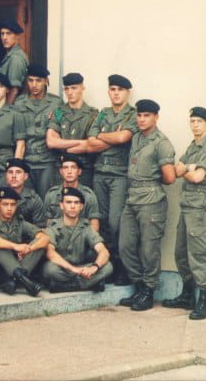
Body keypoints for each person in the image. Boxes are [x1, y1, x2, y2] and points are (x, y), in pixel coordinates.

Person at [118, 99, 175, 312]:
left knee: (149, 249)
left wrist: (151, 181)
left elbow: (169, 177)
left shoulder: (161, 143)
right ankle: (139, 286)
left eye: (147, 116)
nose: (141, 119)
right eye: (139, 115)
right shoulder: (136, 138)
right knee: (125, 245)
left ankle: (148, 292)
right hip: (132, 198)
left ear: (156, 117)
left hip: (151, 200)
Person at [163, 107, 206, 320]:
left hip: (199, 210)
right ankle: (187, 295)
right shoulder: (192, 147)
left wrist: (188, 169)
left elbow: (197, 177)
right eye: (192, 121)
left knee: (198, 255)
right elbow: (176, 171)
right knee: (180, 254)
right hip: (186, 208)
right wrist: (190, 168)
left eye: (199, 121)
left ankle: (204, 302)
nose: (195, 125)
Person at [85, 74, 137, 285]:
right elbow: (90, 141)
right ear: (109, 92)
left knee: (116, 223)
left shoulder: (132, 114)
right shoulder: (102, 114)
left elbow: (124, 137)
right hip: (100, 172)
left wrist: (104, 136)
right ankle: (106, 265)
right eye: (113, 89)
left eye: (120, 90)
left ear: (127, 93)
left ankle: (121, 265)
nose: (116, 93)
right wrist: (112, 137)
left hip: (119, 175)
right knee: (102, 220)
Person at [0, 187, 48, 296]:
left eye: (12, 205)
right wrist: (15, 246)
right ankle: (25, 282)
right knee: (0, 247)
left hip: (16, 266)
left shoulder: (20, 222)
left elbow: (44, 238)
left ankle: (14, 282)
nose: (9, 208)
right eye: (5, 204)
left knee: (39, 246)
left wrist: (29, 249)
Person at [42, 187, 112, 293]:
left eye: (76, 202)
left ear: (81, 206)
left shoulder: (86, 227)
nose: (72, 206)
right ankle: (91, 282)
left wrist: (94, 267)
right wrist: (74, 270)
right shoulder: (53, 226)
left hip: (81, 267)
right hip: (62, 268)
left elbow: (103, 251)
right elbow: (50, 253)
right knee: (49, 269)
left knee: (108, 266)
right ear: (61, 205)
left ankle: (66, 286)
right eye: (68, 202)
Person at [13, 64, 62, 197]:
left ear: (46, 81)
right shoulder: (19, 103)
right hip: (26, 160)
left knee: (47, 199)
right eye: (30, 80)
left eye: (38, 81)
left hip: (47, 161)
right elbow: (18, 137)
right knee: (26, 199)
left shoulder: (56, 103)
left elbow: (59, 131)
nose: (34, 85)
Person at [46, 72, 99, 187]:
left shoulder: (93, 114)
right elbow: (51, 142)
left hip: (84, 169)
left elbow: (92, 144)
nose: (70, 92)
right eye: (67, 89)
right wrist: (80, 143)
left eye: (74, 88)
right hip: (62, 168)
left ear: (82, 88)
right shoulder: (59, 112)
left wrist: (62, 144)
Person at [0, 72, 26, 189]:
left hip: (5, 164)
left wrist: (14, 169)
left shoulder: (15, 114)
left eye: (0, 86)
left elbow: (21, 144)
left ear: (7, 90)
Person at [43, 153, 101, 231]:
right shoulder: (52, 194)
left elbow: (94, 225)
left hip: (81, 235)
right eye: (65, 167)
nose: (69, 171)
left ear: (79, 171)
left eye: (73, 167)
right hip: (58, 234)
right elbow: (48, 223)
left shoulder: (88, 195)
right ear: (61, 171)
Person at [0, 158, 45, 226]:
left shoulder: (33, 198)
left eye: (18, 172)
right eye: (10, 172)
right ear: (6, 175)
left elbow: (40, 226)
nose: (14, 176)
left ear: (25, 176)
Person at [0, 20, 28, 104]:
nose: (4, 37)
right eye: (2, 34)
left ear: (17, 36)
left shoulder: (16, 57)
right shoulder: (10, 55)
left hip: (14, 106)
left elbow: (14, 90)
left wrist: (6, 109)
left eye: (8, 33)